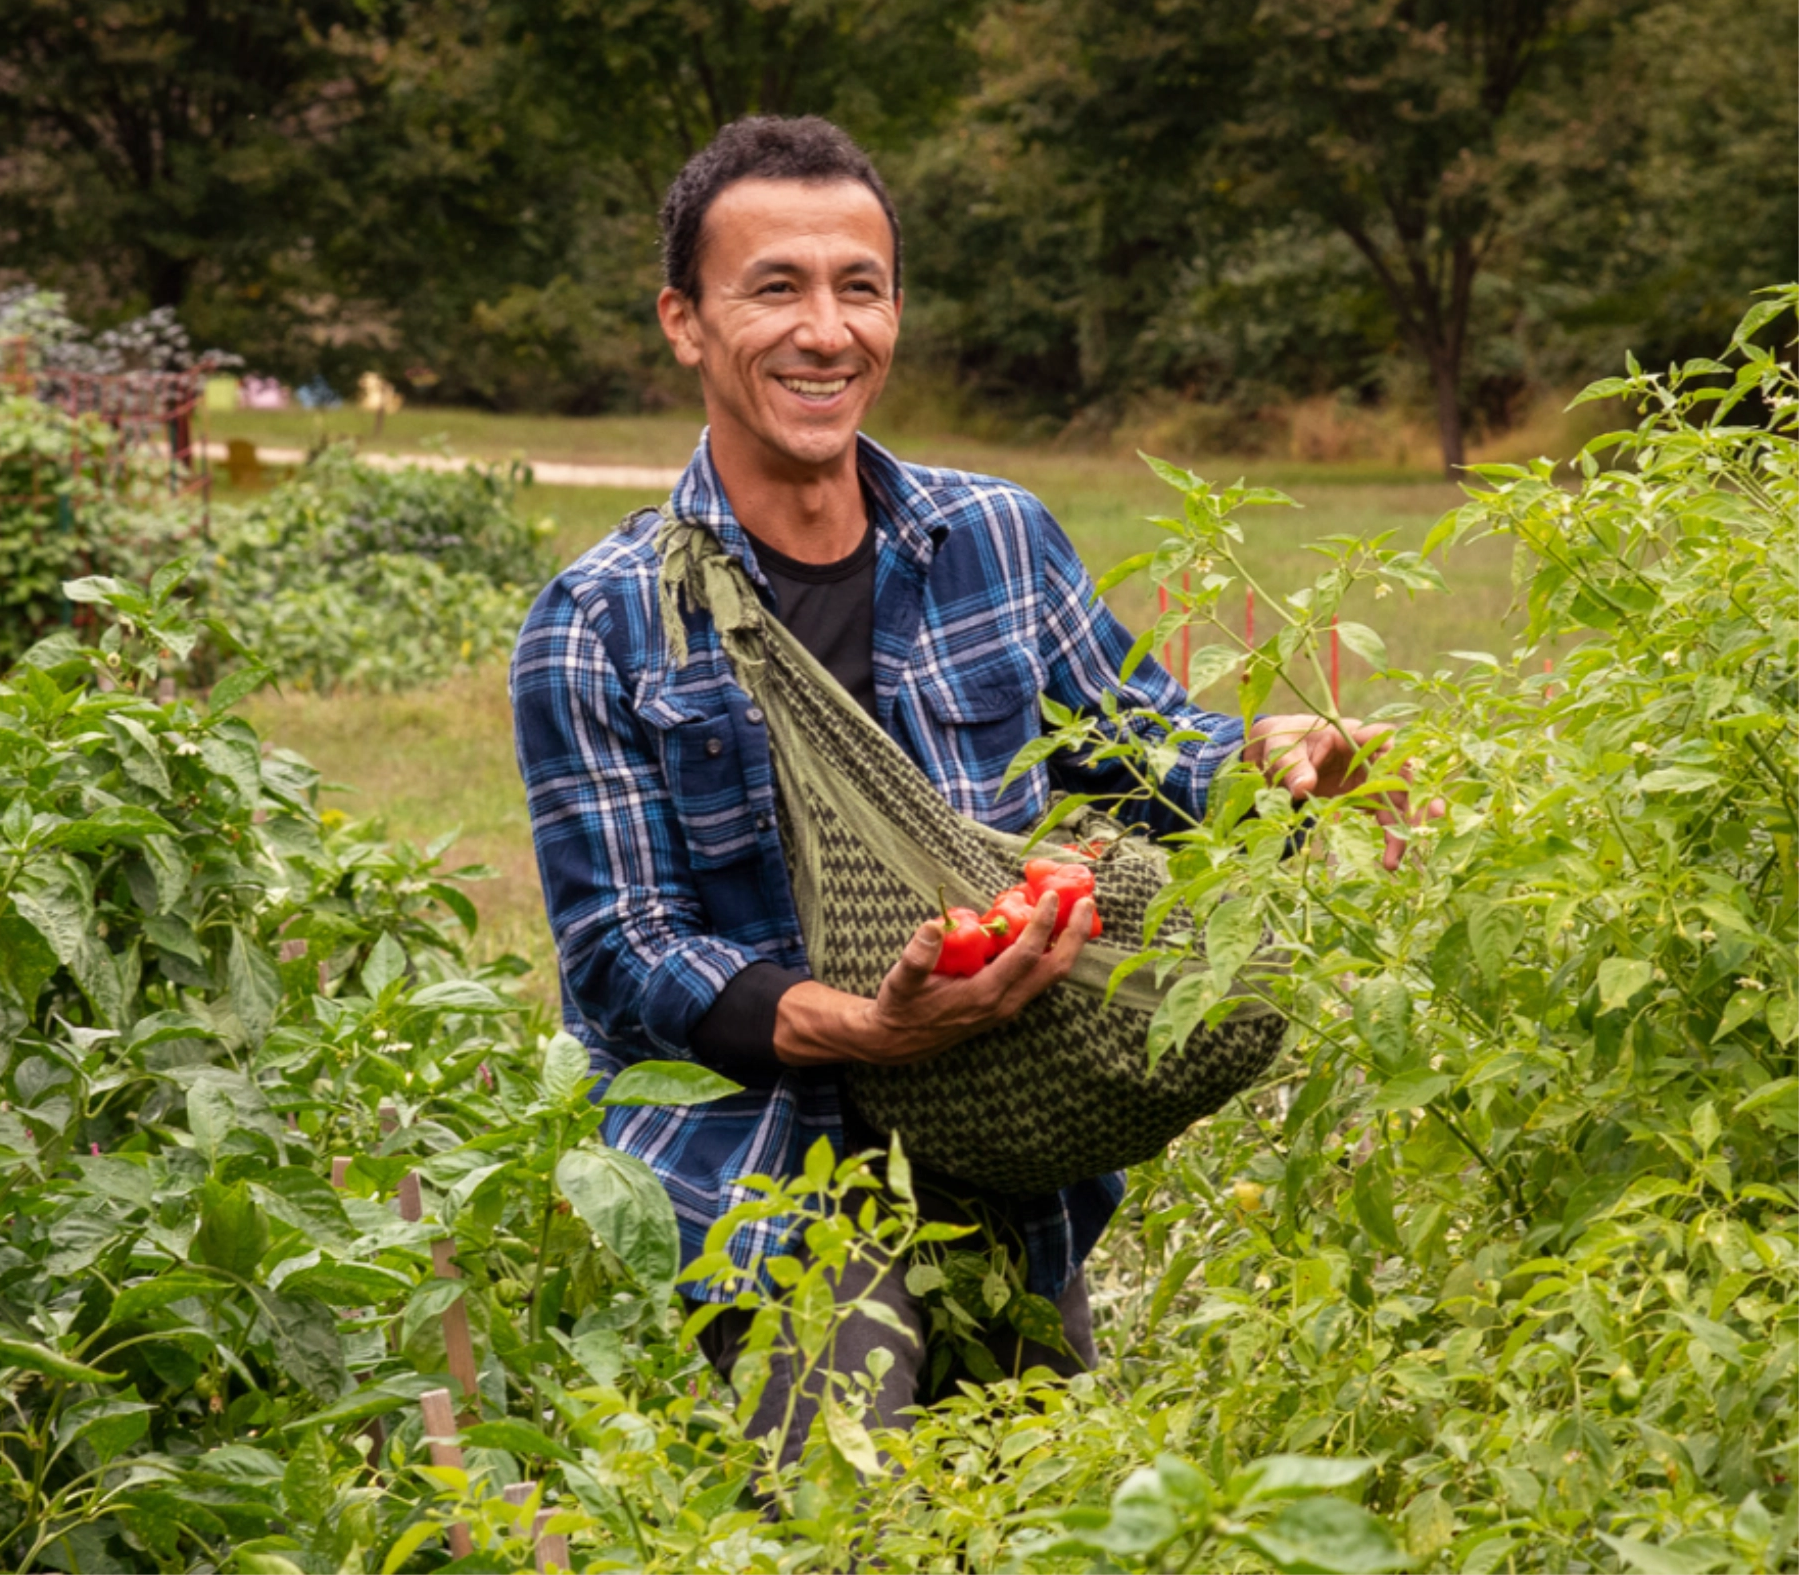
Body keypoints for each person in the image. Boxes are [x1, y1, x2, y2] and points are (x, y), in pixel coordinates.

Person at [509, 115, 1422, 1465]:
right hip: (769, 1176)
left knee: (1047, 1505)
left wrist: (1278, 756)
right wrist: (862, 1031)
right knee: (849, 1507)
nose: (827, 330)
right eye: (776, 288)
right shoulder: (598, 625)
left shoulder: (996, 536)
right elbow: (627, 959)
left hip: (1013, 1142)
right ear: (684, 323)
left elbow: (1147, 748)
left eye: (858, 287)